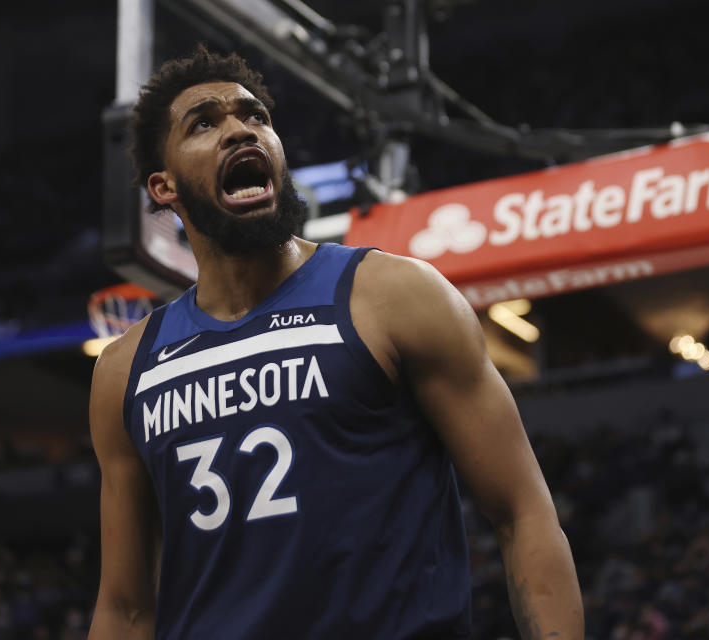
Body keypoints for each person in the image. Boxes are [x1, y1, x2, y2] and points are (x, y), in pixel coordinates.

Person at [89, 45, 583, 639]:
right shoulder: (127, 370)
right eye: (204, 123)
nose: (240, 130)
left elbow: (523, 513)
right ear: (163, 188)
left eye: (256, 117)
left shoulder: (393, 295)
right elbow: (126, 608)